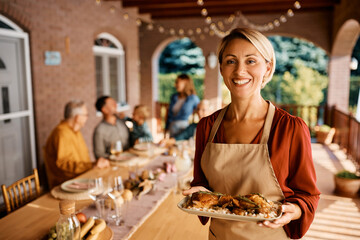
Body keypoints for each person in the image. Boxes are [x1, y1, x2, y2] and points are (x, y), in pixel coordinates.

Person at [183, 28, 320, 240]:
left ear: (268, 67)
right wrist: (197, 193)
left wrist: (297, 210)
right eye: (230, 61)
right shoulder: (207, 127)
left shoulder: (290, 128)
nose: (239, 71)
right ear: (221, 68)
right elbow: (202, 183)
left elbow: (308, 195)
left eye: (251, 61)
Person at [44, 100, 94, 189]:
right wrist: (91, 165)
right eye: (86, 115)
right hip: (67, 185)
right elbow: (63, 164)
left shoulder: (75, 130)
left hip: (81, 178)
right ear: (78, 117)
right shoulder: (61, 133)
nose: (87, 118)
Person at [93, 96, 131, 161]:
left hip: (130, 159)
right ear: (104, 109)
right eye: (112, 104)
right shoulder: (100, 130)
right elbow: (99, 155)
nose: (116, 105)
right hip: (114, 164)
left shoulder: (121, 122)